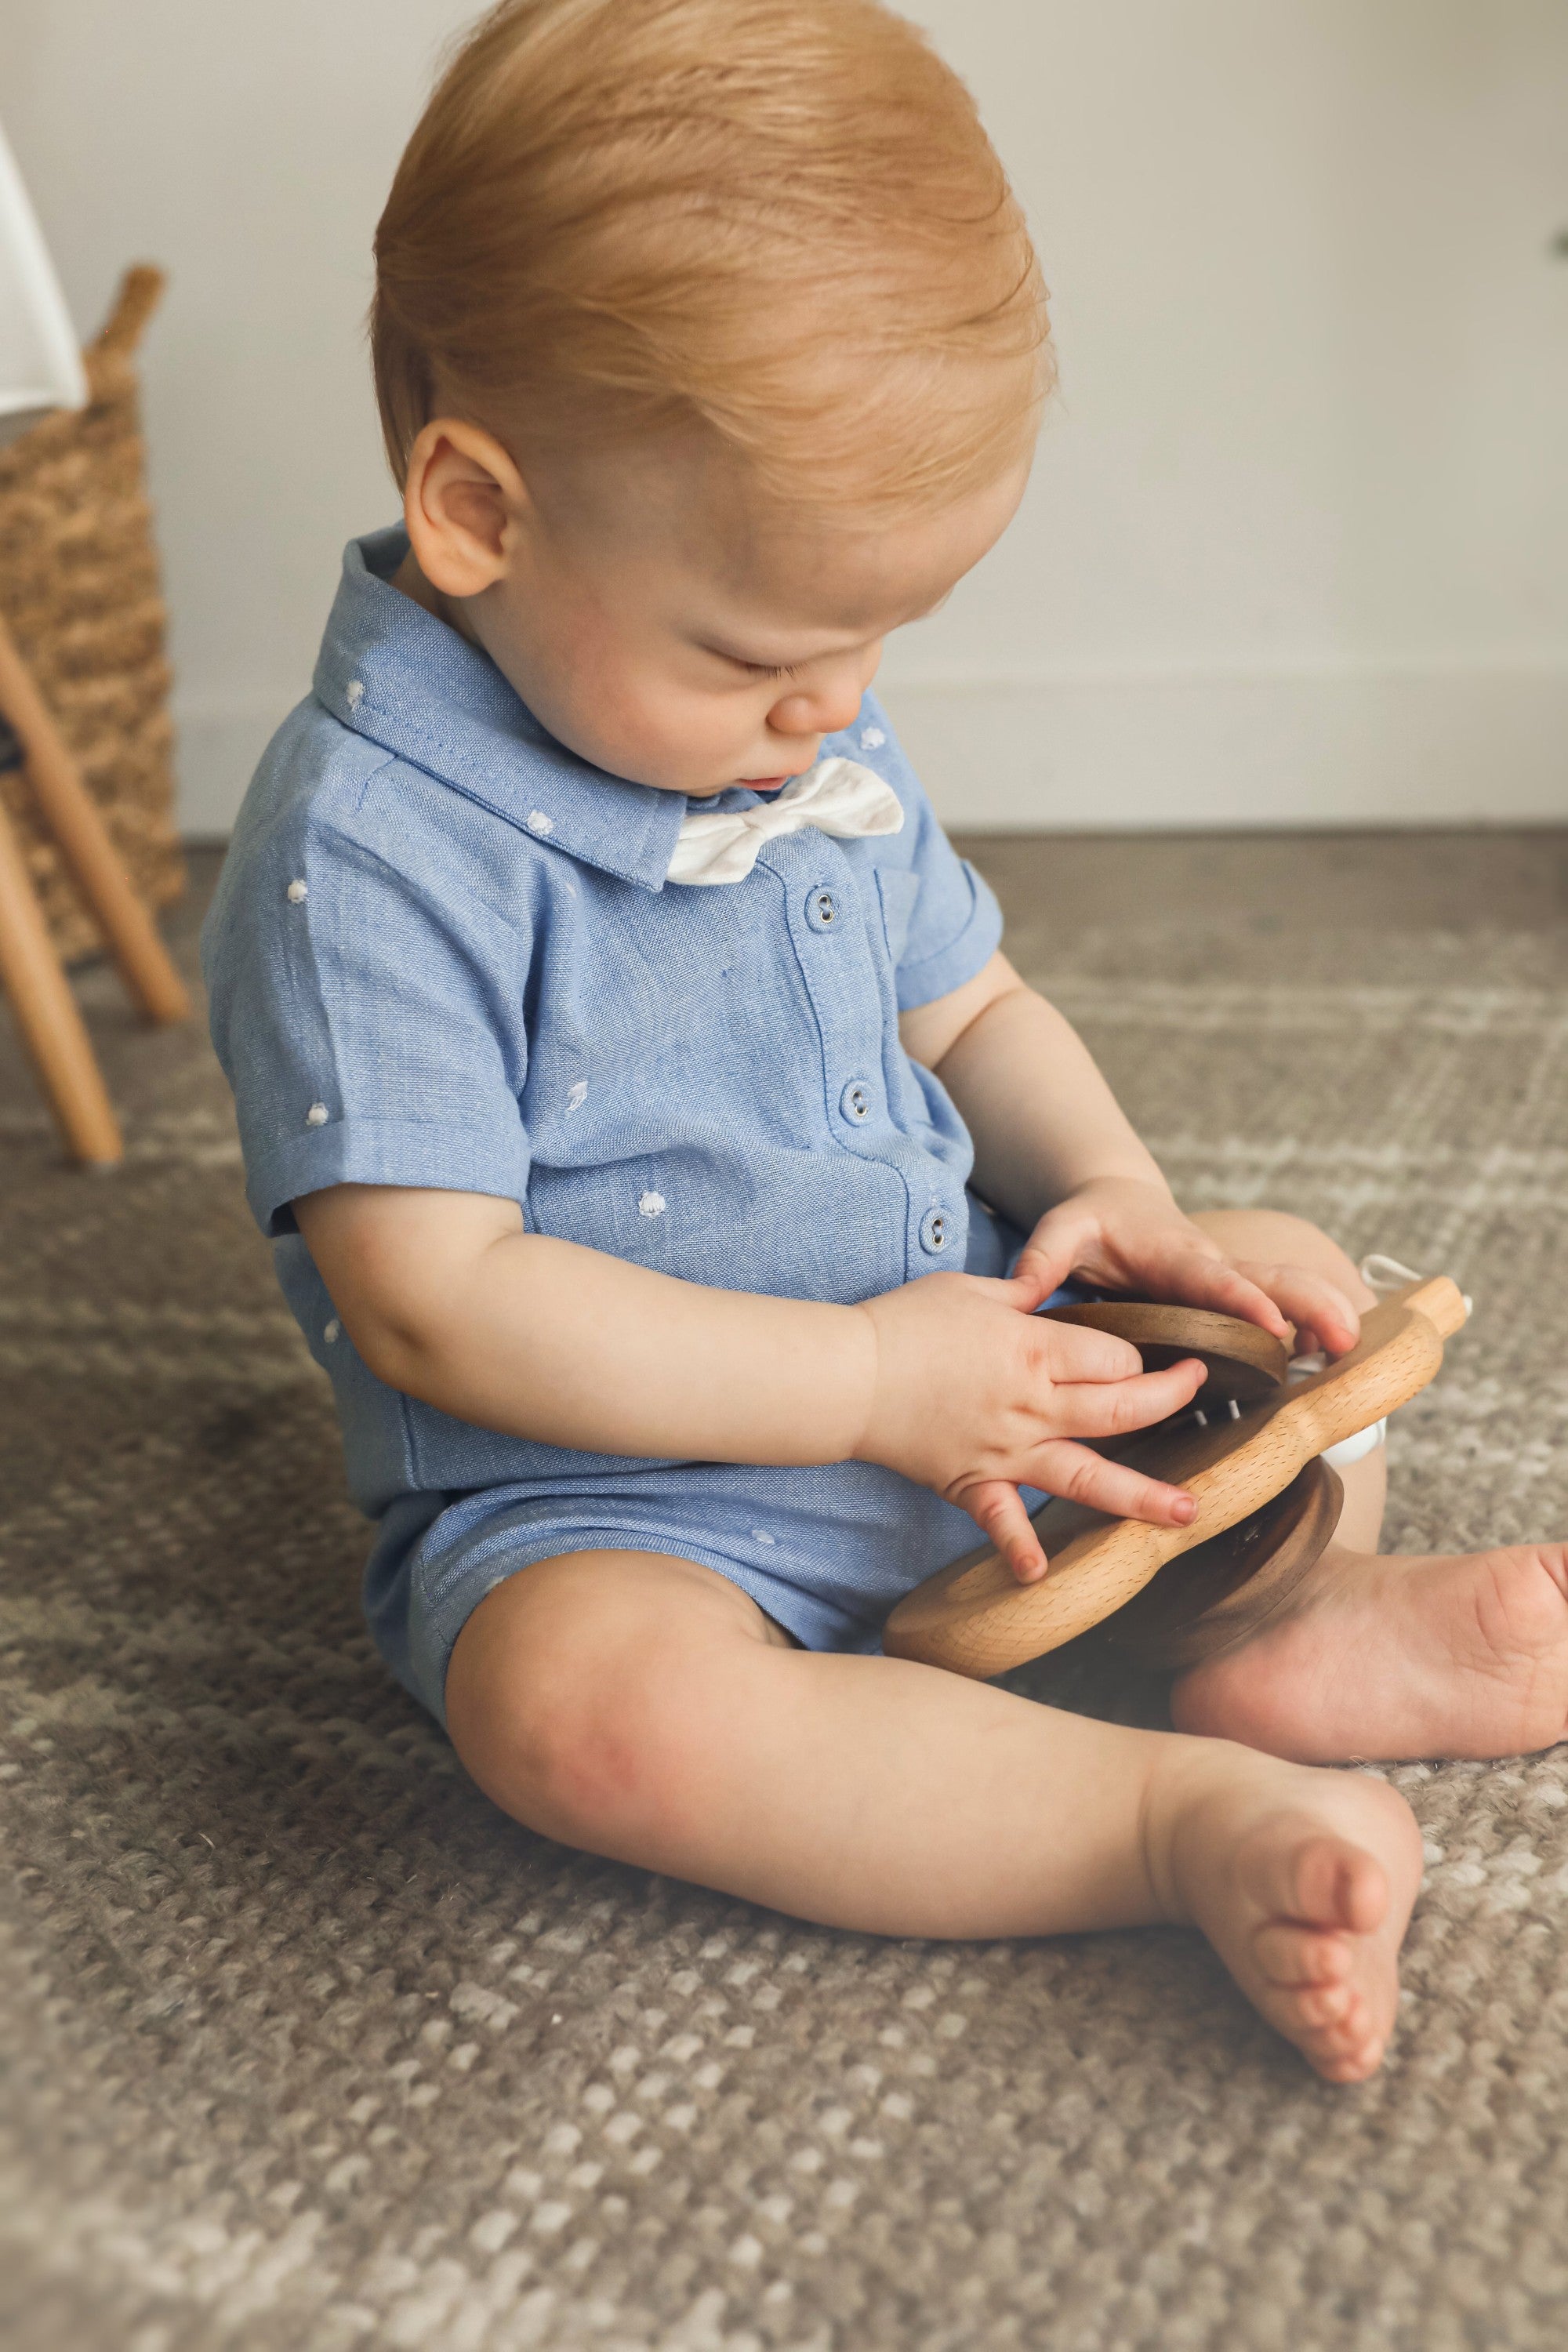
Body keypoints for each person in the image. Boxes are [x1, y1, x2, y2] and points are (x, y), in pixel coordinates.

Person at [204, 0, 1566, 2084]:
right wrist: (857, 1385)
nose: (834, 710)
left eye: (877, 644)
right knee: (586, 1719)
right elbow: (441, 1309)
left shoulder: (791, 719)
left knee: (1279, 1352)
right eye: (764, 651)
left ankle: (1294, 1640)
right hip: (618, 1502)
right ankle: (1157, 1815)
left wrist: (1119, 1198)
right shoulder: (365, 850)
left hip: (949, 1381)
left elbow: (977, 1003)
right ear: (477, 510)